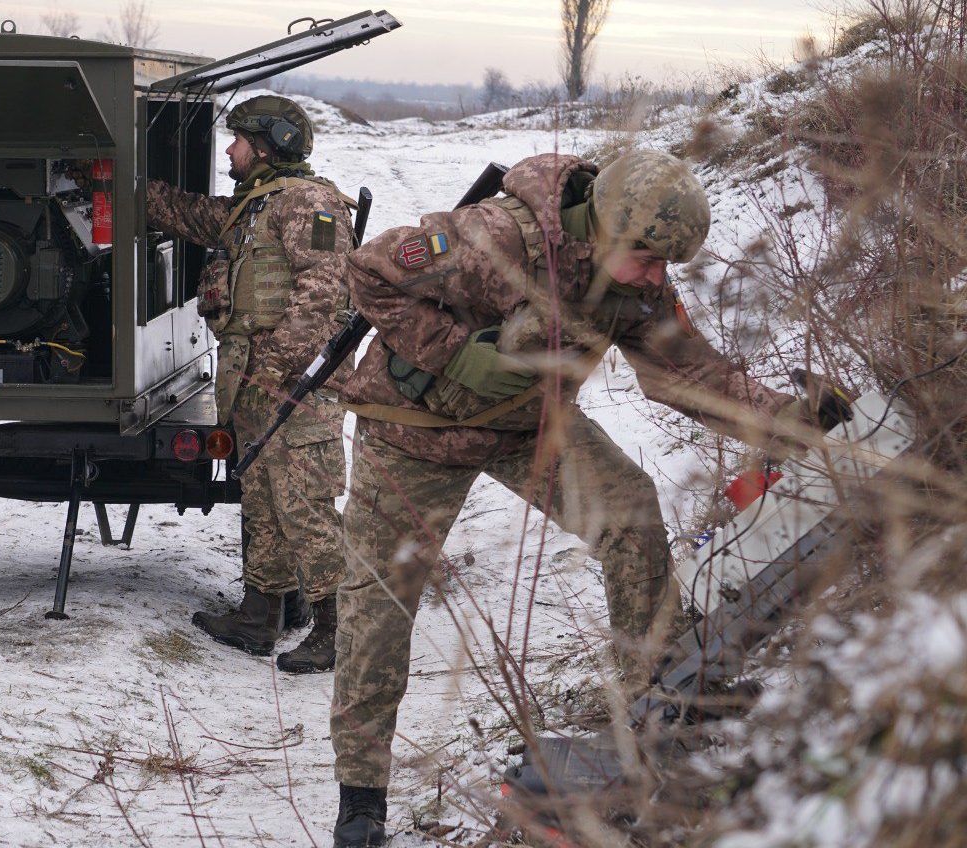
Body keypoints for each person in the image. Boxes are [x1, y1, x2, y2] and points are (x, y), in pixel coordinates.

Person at [326, 150, 841, 846]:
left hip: (529, 427)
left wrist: (791, 419)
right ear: (606, 227)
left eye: (666, 265)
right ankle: (361, 799)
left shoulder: (635, 285)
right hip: (412, 435)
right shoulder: (493, 238)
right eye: (650, 259)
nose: (659, 277)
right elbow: (368, 273)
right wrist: (454, 350)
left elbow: (688, 374)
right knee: (378, 610)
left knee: (630, 513)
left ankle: (650, 722)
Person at [146, 95, 356, 673]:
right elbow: (193, 215)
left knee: (303, 507)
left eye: (238, 140)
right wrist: (131, 192)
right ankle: (260, 615)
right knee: (261, 501)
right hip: (254, 387)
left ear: (270, 145)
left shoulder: (310, 205)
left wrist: (273, 371)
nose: (230, 150)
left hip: (293, 390)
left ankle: (340, 630)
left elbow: (322, 297)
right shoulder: (256, 208)